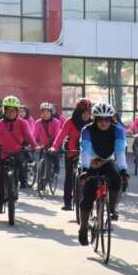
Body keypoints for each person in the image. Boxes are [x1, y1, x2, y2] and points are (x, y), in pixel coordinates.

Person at [77, 102, 128, 245]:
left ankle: (111, 208)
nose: (103, 123)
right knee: (88, 196)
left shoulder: (118, 130)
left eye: (107, 119)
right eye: (100, 119)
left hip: (107, 161)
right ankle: (83, 228)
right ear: (95, 119)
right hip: (91, 163)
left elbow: (119, 152)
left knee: (117, 178)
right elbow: (85, 151)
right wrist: (85, 170)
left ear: (111, 119)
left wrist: (123, 169)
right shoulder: (87, 130)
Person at [0, 96, 39, 213]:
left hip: (18, 152)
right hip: (3, 153)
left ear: (17, 111)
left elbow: (29, 136)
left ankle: (20, 184)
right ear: (4, 110)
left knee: (20, 170)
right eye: (8, 110)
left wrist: (35, 146)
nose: (11, 113)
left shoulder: (23, 123)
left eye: (14, 110)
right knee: (0, 180)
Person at [51, 99, 92, 211]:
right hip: (71, 153)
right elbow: (61, 134)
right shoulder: (70, 122)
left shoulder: (93, 123)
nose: (86, 115)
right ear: (78, 112)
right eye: (84, 112)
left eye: (89, 112)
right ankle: (67, 202)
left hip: (87, 154)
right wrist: (54, 146)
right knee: (69, 177)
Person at [34, 103, 62, 175]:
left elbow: (57, 135)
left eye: (47, 112)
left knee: (54, 154)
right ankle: (41, 177)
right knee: (41, 158)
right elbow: (34, 135)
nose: (45, 114)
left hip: (54, 143)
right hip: (43, 144)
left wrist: (54, 146)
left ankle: (56, 167)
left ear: (51, 113)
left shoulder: (56, 122)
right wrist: (34, 144)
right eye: (44, 112)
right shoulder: (38, 122)